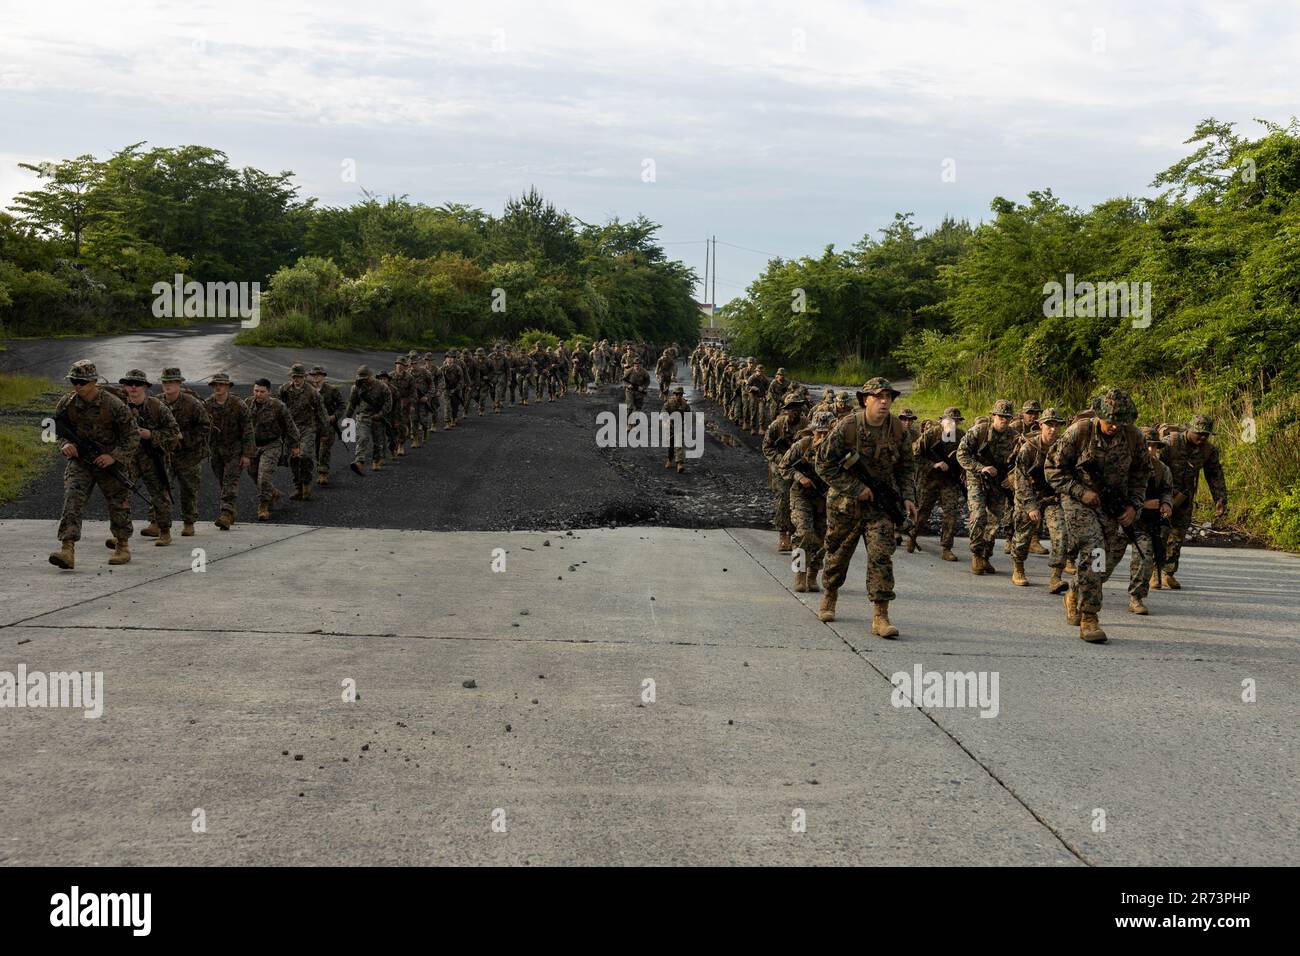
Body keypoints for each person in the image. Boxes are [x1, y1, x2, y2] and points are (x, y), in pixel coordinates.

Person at [1045, 387, 1151, 643]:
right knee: (1095, 551)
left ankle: (1075, 591)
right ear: (1099, 415)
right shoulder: (1079, 432)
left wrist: (1134, 506)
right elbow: (1052, 469)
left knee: (1108, 559)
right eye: (1110, 421)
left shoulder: (1135, 438)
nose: (1115, 426)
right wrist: (1080, 492)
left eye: (1120, 421)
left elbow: (1141, 476)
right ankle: (1089, 617)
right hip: (1079, 502)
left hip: (1112, 504)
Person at [814, 378, 918, 638]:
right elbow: (823, 464)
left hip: (880, 505)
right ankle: (830, 595)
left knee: (882, 555)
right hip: (845, 506)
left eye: (888, 397)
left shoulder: (897, 430)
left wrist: (907, 497)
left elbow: (906, 467)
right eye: (878, 396)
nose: (884, 401)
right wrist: (855, 488)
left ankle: (880, 615)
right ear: (865, 400)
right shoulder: (848, 427)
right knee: (837, 554)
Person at [48, 360, 140, 569]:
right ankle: (67, 549)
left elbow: (132, 435)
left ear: (93, 381)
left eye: (81, 382)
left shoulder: (113, 404)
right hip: (81, 462)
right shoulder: (67, 403)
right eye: (74, 381)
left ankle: (122, 545)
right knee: (72, 499)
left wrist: (114, 456)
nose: (77, 386)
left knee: (118, 503)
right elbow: (52, 429)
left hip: (109, 463)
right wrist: (65, 444)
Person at [1157, 413, 1228, 590]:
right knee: (1159, 533)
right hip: (1162, 495)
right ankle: (1153, 572)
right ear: (1189, 430)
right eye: (1199, 433)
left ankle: (1169, 573)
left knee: (1178, 535)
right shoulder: (1169, 443)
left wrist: (1219, 498)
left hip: (1184, 498)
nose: (1202, 437)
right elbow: (1153, 468)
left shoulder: (1208, 450)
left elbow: (1215, 475)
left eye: (1206, 434)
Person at [956, 399, 1019, 575]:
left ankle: (985, 556)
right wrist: (980, 467)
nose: (1004, 420)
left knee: (994, 521)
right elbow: (961, 454)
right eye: (1000, 416)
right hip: (977, 478)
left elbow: (1021, 461)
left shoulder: (1014, 437)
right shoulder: (979, 431)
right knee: (978, 516)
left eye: (1007, 417)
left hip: (998, 482)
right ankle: (976, 554)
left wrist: (1012, 477)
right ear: (993, 416)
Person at [119, 368, 180, 546]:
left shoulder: (157, 406)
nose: (133, 387)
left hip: (153, 458)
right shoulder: (120, 407)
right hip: (128, 457)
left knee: (159, 496)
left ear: (145, 387)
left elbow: (174, 431)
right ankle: (121, 533)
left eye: (137, 384)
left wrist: (151, 435)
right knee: (121, 494)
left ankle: (165, 531)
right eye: (129, 384)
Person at [1010, 409, 1067, 589]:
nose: (1053, 429)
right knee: (1022, 535)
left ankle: (1056, 576)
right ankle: (1018, 567)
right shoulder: (1029, 448)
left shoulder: (1063, 448)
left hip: (1052, 497)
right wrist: (1030, 506)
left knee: (1061, 533)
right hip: (1029, 496)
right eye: (1049, 425)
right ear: (1041, 425)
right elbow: (1020, 479)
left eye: (1057, 426)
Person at [780, 408, 835, 592]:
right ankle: (799, 574)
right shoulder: (802, 446)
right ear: (812, 431)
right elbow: (784, 467)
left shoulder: (838, 451)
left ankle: (813, 574)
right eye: (819, 432)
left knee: (822, 538)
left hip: (825, 499)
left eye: (826, 433)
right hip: (802, 495)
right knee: (803, 533)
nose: (822, 436)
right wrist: (799, 477)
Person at [1128, 427, 1174, 614]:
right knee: (1103, 563)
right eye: (1147, 446)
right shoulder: (1126, 465)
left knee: (1145, 556)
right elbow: (1115, 492)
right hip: (1121, 520)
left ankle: (1136, 597)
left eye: (1154, 447)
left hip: (1144, 524)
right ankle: (1082, 591)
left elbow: (1167, 490)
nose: (1150, 450)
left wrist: (1166, 504)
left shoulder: (1161, 469)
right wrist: (1143, 504)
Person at [159, 367, 209, 537]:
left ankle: (189, 522)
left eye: (172, 382)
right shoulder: (156, 402)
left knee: (188, 490)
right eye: (165, 382)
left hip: (189, 455)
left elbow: (205, 427)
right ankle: (157, 522)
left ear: (179, 383)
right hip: (165, 454)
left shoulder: (192, 403)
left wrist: (184, 437)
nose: (168, 385)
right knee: (160, 488)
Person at [910, 406, 966, 560]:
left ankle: (947, 548)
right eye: (950, 420)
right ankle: (913, 536)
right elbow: (915, 454)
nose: (953, 424)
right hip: (930, 480)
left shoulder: (961, 436)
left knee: (951, 513)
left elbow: (966, 456)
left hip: (949, 481)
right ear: (942, 421)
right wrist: (933, 465)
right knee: (923, 512)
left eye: (956, 421)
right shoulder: (931, 434)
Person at [246, 377, 300, 521]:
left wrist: (294, 445)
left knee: (264, 477)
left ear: (268, 392)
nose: (258, 394)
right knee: (253, 474)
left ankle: (263, 506)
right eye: (256, 391)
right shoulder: (247, 404)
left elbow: (290, 426)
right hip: (253, 446)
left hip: (272, 445)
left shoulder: (278, 406)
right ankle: (273, 493)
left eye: (262, 391)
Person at [205, 372, 253, 530]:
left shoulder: (238, 405)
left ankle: (225, 514)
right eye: (215, 385)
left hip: (235, 450)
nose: (218, 387)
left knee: (230, 481)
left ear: (228, 387)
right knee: (222, 481)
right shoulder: (207, 405)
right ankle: (230, 511)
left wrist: (247, 454)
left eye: (221, 385)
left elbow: (247, 430)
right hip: (216, 451)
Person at [762, 391, 808, 553]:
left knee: (802, 498)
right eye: (791, 407)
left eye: (797, 407)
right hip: (780, 466)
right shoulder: (777, 426)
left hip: (800, 465)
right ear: (786, 409)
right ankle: (783, 534)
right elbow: (767, 447)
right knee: (783, 498)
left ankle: (798, 533)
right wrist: (781, 459)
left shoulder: (806, 424)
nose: (795, 410)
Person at [661, 385, 691, 473]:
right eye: (677, 394)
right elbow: (663, 412)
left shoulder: (685, 404)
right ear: (674, 394)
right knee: (670, 445)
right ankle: (670, 460)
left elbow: (688, 416)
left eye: (680, 394)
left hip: (679, 426)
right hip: (669, 426)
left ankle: (679, 463)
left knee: (679, 444)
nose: (679, 396)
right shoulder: (668, 403)